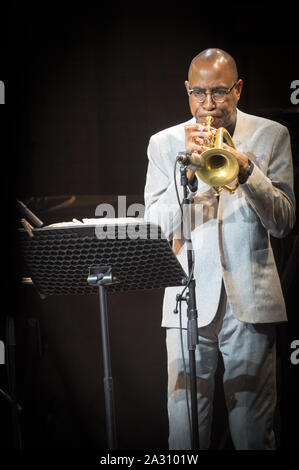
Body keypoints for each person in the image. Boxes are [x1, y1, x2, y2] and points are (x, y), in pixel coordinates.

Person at [144, 48, 295, 450]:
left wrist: (247, 171)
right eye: (198, 94)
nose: (207, 106)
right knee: (184, 433)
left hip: (251, 299)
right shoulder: (164, 144)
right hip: (186, 299)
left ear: (239, 89)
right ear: (187, 91)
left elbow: (283, 222)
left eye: (219, 93)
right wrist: (188, 173)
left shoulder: (271, 135)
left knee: (253, 434)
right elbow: (156, 228)